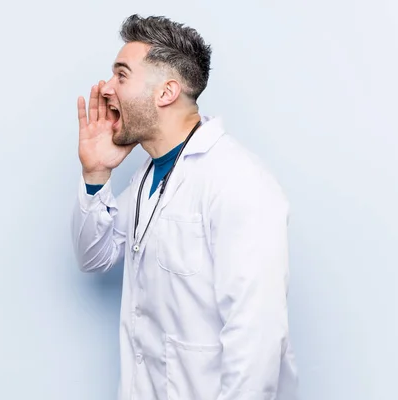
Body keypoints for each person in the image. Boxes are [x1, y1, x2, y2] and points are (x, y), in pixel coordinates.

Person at [71, 14, 298, 400]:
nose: (106, 89)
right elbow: (94, 257)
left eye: (121, 76)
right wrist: (96, 172)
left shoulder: (239, 181)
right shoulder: (148, 176)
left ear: (166, 92)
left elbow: (256, 343)